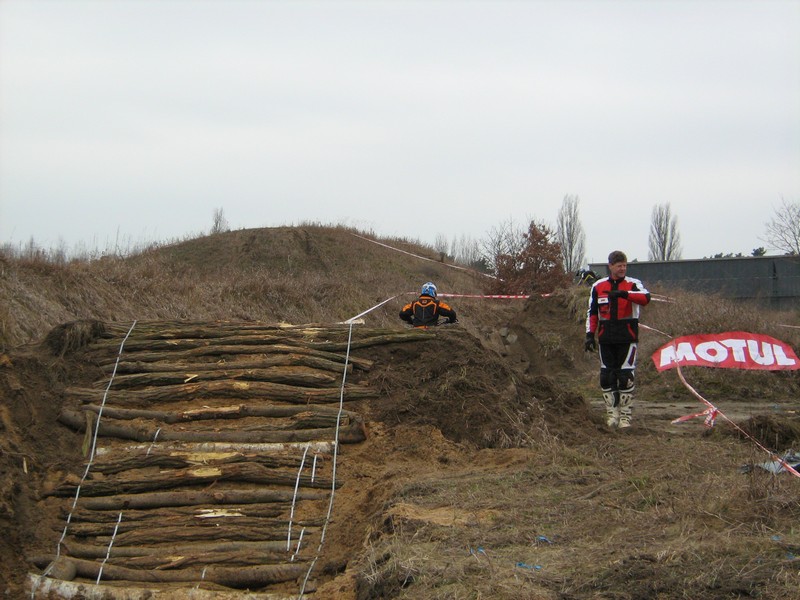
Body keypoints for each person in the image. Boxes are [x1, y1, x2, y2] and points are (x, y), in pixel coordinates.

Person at [585, 251, 650, 428]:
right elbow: (592, 312)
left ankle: (625, 417)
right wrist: (589, 335)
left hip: (627, 337)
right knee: (606, 377)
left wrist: (624, 294)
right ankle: (612, 415)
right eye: (619, 265)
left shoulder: (633, 283)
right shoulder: (598, 286)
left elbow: (646, 298)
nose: (622, 269)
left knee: (625, 377)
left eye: (624, 265)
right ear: (610, 266)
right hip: (606, 337)